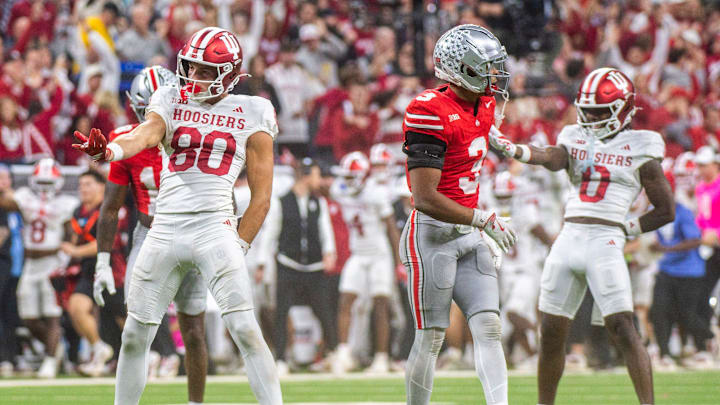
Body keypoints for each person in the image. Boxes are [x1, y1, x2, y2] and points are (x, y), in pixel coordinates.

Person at [73, 27, 282, 405]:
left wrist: (239, 244)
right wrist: (112, 153)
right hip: (164, 227)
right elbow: (146, 133)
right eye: (191, 67)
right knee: (135, 334)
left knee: (245, 329)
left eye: (205, 71)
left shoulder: (255, 110)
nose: (194, 77)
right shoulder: (169, 98)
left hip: (215, 227)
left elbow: (261, 197)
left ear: (230, 74)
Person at [491, 67, 675, 405]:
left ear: (623, 108)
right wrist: (518, 150)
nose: (589, 116)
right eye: (586, 109)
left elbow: (666, 211)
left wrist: (625, 228)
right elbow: (555, 156)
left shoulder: (642, 145)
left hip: (605, 240)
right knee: (550, 333)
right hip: (568, 237)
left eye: (599, 111)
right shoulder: (574, 136)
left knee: (622, 326)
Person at [399, 25, 516, 405]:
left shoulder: (483, 103)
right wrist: (483, 220)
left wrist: (497, 139)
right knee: (431, 337)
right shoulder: (427, 110)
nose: (495, 75)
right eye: (486, 67)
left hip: (467, 233)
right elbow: (424, 198)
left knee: (489, 326)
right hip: (433, 233)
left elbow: (477, 134)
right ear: (461, 69)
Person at [93, 66, 209, 400]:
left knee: (194, 330)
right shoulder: (129, 139)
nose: (155, 117)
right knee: (134, 328)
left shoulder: (196, 134)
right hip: (149, 234)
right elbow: (111, 206)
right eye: (147, 110)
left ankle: (195, 402)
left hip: (192, 233)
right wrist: (102, 260)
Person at [257, 157, 337, 375]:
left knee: (324, 311)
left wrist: (330, 252)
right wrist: (262, 263)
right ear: (306, 175)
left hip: (314, 266)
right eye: (316, 175)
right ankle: (281, 357)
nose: (319, 180)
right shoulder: (281, 201)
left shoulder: (317, 201)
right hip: (288, 264)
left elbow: (325, 230)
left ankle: (332, 353)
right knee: (281, 312)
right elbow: (271, 233)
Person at [0, 159, 78, 378]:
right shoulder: (24, 197)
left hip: (52, 263)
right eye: (41, 181)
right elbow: (5, 201)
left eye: (48, 181)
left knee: (52, 315)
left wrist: (67, 258)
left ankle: (51, 360)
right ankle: (55, 350)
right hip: (30, 264)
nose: (44, 186)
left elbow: (71, 233)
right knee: (28, 317)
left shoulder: (65, 204)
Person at [331, 151, 401, 374]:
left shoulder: (376, 193)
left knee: (380, 304)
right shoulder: (340, 189)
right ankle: (344, 352)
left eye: (351, 177)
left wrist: (399, 262)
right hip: (358, 254)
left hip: (379, 255)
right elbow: (325, 186)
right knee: (345, 300)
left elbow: (391, 228)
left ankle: (381, 357)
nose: (347, 181)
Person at [61, 169, 117, 377]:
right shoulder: (78, 211)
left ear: (102, 186)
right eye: (81, 185)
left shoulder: (109, 208)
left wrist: (75, 250)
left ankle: (156, 354)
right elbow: (76, 238)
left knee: (121, 316)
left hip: (113, 267)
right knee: (76, 307)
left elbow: (107, 241)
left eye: (88, 184)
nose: (83, 189)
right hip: (87, 269)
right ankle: (98, 349)